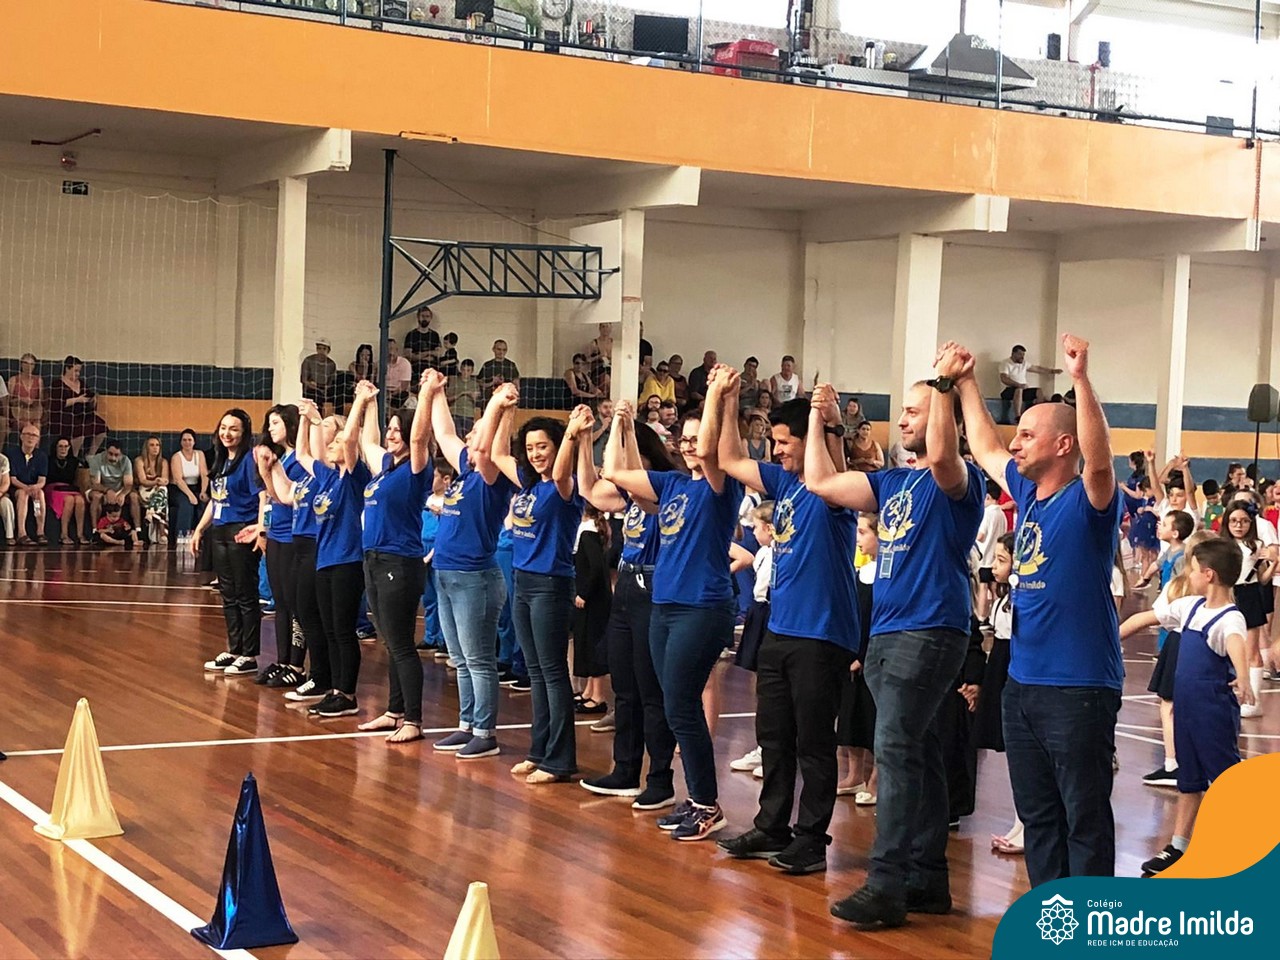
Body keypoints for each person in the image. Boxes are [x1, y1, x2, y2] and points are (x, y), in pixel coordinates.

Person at [806, 369, 983, 926]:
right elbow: (820, 482)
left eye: (913, 410)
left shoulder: (960, 481)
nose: (901, 419)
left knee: (897, 751)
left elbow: (945, 455)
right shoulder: (892, 483)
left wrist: (948, 388)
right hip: (888, 632)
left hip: (928, 630)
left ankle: (887, 883)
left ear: (942, 420)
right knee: (918, 751)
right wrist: (820, 422)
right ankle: (927, 879)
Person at [952, 333, 1123, 887]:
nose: (1016, 442)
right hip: (1022, 686)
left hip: (1078, 688)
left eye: (1028, 434)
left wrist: (1080, 380)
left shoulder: (1090, 501)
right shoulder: (1027, 498)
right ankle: (1054, 917)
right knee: (1039, 817)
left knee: (1083, 819)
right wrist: (966, 382)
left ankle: (1092, 921)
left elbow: (1101, 462)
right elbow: (984, 446)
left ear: (1063, 445)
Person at [709, 373, 860, 876]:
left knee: (814, 743)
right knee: (773, 736)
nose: (776, 451)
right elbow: (729, 458)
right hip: (781, 629)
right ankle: (771, 826)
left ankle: (811, 839)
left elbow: (832, 460)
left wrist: (825, 420)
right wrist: (729, 400)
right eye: (773, 443)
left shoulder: (832, 488)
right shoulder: (783, 483)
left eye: (784, 442)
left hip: (822, 635)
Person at [604, 377, 743, 842]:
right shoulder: (672, 485)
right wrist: (621, 426)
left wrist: (718, 396)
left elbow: (713, 453)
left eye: (695, 437)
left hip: (702, 608)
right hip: (664, 606)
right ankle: (698, 798)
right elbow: (615, 472)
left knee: (681, 703)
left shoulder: (721, 487)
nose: (688, 445)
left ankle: (707, 805)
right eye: (682, 438)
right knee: (673, 703)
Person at [1119, 538, 1253, 876]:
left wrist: (1243, 677)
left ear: (1208, 574)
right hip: (1187, 712)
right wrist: (1110, 639)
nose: (1188, 576)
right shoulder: (1189, 607)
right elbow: (1145, 618)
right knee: (1188, 781)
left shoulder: (1230, 618)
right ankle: (1179, 846)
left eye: (1192, 570)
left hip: (1213, 714)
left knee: (1225, 782)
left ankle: (1240, 848)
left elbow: (1236, 643)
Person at [487, 390, 583, 783]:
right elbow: (496, 454)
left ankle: (559, 760)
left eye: (542, 446)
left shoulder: (565, 486)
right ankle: (540, 751)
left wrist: (572, 432)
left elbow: (560, 473)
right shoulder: (528, 485)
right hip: (523, 582)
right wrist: (506, 412)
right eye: (530, 448)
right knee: (536, 672)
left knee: (553, 671)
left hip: (550, 585)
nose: (535, 454)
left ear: (557, 447)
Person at [428, 382, 518, 758]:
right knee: (461, 659)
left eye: (476, 431)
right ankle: (467, 725)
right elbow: (443, 432)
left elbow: (483, 450)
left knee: (478, 659)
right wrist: (435, 391)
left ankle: (485, 732)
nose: (469, 437)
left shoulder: (491, 474)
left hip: (474, 579)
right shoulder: (465, 473)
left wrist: (496, 404)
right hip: (447, 575)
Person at [350, 375, 437, 744]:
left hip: (399, 563)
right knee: (390, 641)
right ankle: (394, 711)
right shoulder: (385, 467)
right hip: (374, 560)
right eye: (391, 428)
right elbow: (367, 441)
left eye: (398, 429)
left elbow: (418, 439)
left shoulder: (417, 468)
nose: (392, 434)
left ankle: (413, 720)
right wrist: (369, 401)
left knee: (401, 643)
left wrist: (426, 395)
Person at [297, 397, 372, 720]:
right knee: (329, 629)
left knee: (343, 630)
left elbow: (352, 439)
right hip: (324, 561)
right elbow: (302, 454)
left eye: (337, 441)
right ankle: (334, 690)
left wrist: (360, 402)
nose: (332, 444)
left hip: (347, 562)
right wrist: (306, 419)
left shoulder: (355, 478)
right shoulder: (327, 478)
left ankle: (347, 694)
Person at [192, 409, 264, 677]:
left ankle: (249, 654)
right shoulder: (221, 460)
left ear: (244, 433)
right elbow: (216, 500)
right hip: (220, 531)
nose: (227, 433)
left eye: (233, 428)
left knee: (246, 594)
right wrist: (199, 530)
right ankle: (234, 649)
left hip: (241, 531)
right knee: (228, 594)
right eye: (223, 427)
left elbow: (263, 495)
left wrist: (261, 529)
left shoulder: (249, 460)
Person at [251, 405, 307, 690]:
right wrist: (262, 528)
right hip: (277, 534)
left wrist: (267, 469)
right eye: (269, 423)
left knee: (295, 603)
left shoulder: (300, 458)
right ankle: (283, 660)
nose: (270, 428)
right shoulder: (281, 456)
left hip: (294, 536)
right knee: (281, 602)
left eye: (276, 422)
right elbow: (271, 498)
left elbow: (285, 496)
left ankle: (297, 664)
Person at [1220, 500, 1271, 719]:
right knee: (1228, 649)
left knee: (1252, 651)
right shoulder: (1222, 545)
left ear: (1251, 523)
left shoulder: (1257, 546)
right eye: (1233, 521)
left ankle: (1254, 701)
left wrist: (1273, 563)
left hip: (1249, 596)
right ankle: (1232, 695)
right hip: (1228, 595)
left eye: (1244, 521)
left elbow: (1262, 579)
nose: (1239, 525)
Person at [572, 504, 613, 714]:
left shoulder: (588, 533)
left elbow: (596, 568)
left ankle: (598, 696)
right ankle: (589, 690)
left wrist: (584, 593)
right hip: (593, 599)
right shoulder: (590, 531)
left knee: (594, 645)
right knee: (586, 644)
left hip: (593, 601)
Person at [47, 356, 107, 458]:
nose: (78, 374)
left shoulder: (81, 383)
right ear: (67, 368)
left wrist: (93, 400)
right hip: (64, 416)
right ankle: (73, 457)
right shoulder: (57, 384)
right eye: (75, 371)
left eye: (79, 371)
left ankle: (90, 455)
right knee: (79, 432)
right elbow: (57, 405)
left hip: (82, 415)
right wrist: (77, 400)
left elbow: (88, 397)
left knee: (101, 426)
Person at [5, 424, 49, 545]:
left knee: (40, 494)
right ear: (21, 437)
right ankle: (21, 533)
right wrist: (26, 488)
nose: (31, 438)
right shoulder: (12, 454)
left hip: (33, 487)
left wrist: (35, 487)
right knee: (23, 494)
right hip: (16, 487)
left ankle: (40, 532)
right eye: (28, 434)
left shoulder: (41, 456)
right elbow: (13, 479)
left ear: (38, 439)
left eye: (34, 435)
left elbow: (42, 480)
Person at [998, 343, 1062, 424]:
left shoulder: (1024, 363)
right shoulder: (1005, 363)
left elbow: (1037, 368)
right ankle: (1018, 417)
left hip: (1022, 390)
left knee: (1039, 391)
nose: (1022, 357)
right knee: (1019, 389)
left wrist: (1052, 371)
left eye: (1023, 354)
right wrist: (1018, 385)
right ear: (1013, 354)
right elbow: (1004, 379)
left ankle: (1038, 415)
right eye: (1020, 354)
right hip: (1008, 391)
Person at [974, 479, 1009, 623]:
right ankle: (994, 617)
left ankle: (981, 617)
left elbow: (980, 536)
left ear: (987, 496)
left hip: (984, 558)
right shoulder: (1001, 513)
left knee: (982, 588)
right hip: (996, 559)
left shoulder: (987, 513)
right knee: (995, 589)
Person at [87, 442, 141, 534]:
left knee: (134, 496)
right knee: (96, 496)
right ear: (106, 451)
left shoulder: (126, 461)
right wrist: (107, 490)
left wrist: (122, 494)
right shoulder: (97, 459)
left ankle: (138, 530)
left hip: (120, 489)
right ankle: (94, 530)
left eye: (116, 455)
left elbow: (128, 484)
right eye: (110, 454)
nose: (113, 458)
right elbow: (95, 484)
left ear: (121, 454)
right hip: (101, 489)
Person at [45, 437, 86, 545]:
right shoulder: (48, 460)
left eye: (66, 446)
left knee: (80, 500)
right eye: (60, 446)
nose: (63, 449)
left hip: (69, 488)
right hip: (53, 488)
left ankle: (80, 534)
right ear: (55, 448)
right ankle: (64, 534)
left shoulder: (74, 461)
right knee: (69, 500)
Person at [170, 428, 209, 537]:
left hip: (195, 487)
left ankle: (202, 535)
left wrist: (203, 491)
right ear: (180, 442)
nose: (187, 442)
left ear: (194, 442)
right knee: (187, 503)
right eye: (184, 440)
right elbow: (178, 480)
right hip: (179, 489)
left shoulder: (199, 454)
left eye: (189, 440)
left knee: (204, 502)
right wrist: (191, 496)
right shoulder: (176, 457)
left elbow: (204, 474)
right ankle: (182, 535)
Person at [134, 435, 170, 544]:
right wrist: (156, 481)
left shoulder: (163, 462)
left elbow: (165, 480)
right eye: (152, 445)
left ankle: (151, 513)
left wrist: (159, 482)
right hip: (144, 491)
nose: (155, 448)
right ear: (146, 448)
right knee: (162, 495)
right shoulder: (139, 460)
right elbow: (143, 481)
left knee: (163, 490)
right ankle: (163, 533)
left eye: (157, 445)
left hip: (158, 491)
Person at [7, 353, 44, 435]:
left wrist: (33, 402)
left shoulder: (39, 380)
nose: (28, 366)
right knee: (28, 426)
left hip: (33, 413)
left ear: (34, 366)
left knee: (37, 425)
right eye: (26, 363)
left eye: (31, 364)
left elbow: (41, 401)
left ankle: (35, 444)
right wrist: (21, 400)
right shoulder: (13, 380)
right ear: (21, 364)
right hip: (18, 414)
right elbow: (8, 402)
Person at [402, 305, 441, 378]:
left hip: (432, 370)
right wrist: (427, 356)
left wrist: (422, 354)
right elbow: (408, 355)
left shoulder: (434, 335)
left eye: (427, 316)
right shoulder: (411, 335)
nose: (425, 318)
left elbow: (438, 353)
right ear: (418, 317)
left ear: (431, 318)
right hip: (416, 370)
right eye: (422, 316)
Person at [301, 338, 339, 411]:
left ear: (328, 351)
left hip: (324, 390)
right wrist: (314, 386)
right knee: (315, 396)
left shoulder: (331, 364)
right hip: (310, 389)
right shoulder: (308, 360)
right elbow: (304, 379)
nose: (321, 351)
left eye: (324, 349)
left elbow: (331, 382)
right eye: (319, 348)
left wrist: (324, 389)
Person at [384, 339, 413, 407]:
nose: (390, 352)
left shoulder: (404, 363)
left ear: (397, 350)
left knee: (403, 396)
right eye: (387, 349)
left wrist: (392, 394)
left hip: (399, 393)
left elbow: (404, 386)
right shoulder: (380, 363)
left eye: (392, 349)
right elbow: (378, 383)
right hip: (385, 393)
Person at [0, 450, 13, 545]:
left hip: (0, 494)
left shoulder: (3, 460)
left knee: (6, 503)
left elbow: (6, 483)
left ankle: (9, 536)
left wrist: (0, 493)